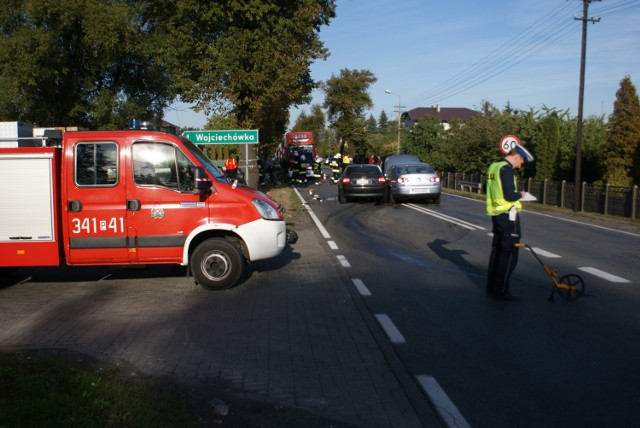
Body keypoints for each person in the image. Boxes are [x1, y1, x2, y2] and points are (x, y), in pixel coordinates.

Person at [485, 142, 534, 301]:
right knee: (509, 255)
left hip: (497, 214)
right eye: (521, 162)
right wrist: (521, 194)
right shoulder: (506, 169)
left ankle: (491, 287)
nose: (520, 166)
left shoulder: (494, 166)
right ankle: (501, 291)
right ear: (516, 156)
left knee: (497, 252)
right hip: (508, 216)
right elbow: (509, 195)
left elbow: (490, 190)